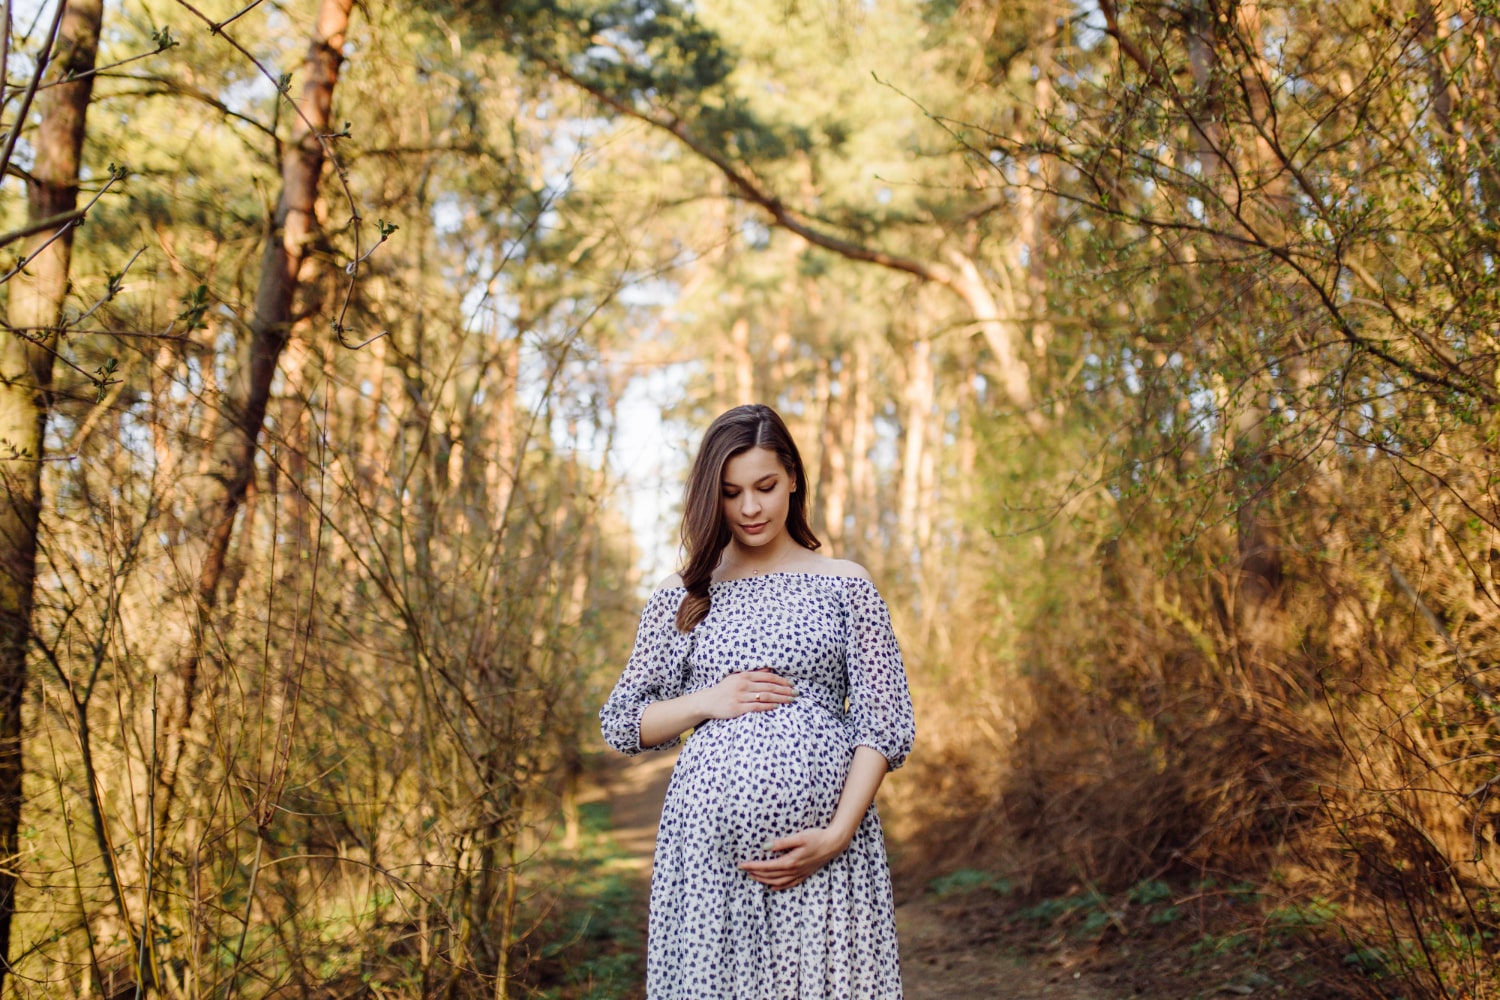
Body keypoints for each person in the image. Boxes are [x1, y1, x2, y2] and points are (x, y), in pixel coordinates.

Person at [600, 402, 916, 1000]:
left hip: (826, 853)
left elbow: (885, 720)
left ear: (793, 477)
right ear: (710, 497)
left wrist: (838, 833)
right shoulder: (683, 595)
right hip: (708, 862)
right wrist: (707, 701)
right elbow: (622, 724)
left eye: (765, 486)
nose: (750, 508)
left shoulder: (846, 584)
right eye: (731, 492)